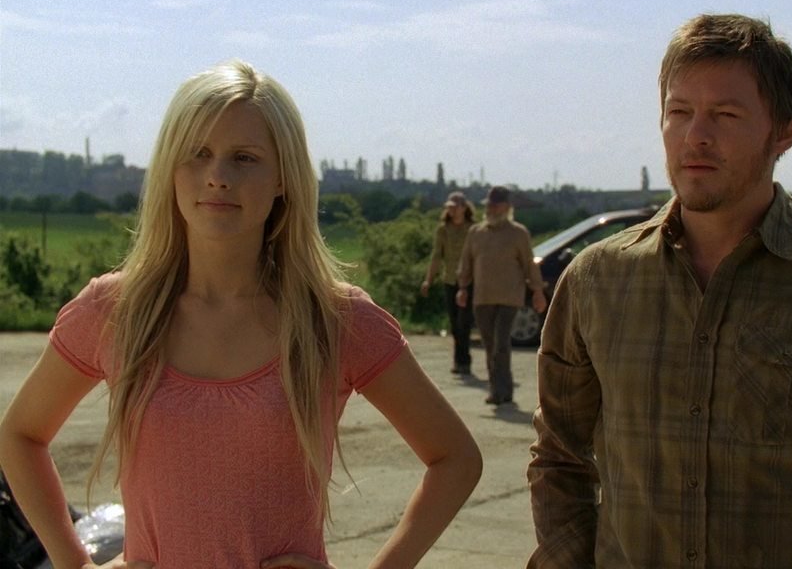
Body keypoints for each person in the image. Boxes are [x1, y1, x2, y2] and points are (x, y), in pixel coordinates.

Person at [0, 60, 482, 569]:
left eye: (245, 158)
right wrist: (74, 564)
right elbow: (19, 436)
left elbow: (455, 459)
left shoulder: (334, 320)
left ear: (283, 178)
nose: (218, 177)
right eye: (198, 153)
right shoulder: (115, 311)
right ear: (169, 169)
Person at [528, 14, 792, 568]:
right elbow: (559, 457)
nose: (696, 135)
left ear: (784, 131)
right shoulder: (597, 281)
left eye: (726, 114)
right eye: (679, 112)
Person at [455, 186, 546, 405]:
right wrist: (463, 288)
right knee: (489, 345)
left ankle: (501, 391)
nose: (491, 209)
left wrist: (537, 291)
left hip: (509, 298)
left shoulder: (518, 233)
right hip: (482, 298)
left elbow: (529, 265)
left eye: (495, 205)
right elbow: (466, 262)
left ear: (506, 207)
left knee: (501, 344)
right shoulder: (476, 233)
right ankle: (499, 388)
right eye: (488, 205)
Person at [421, 191, 475, 375]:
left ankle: (464, 360)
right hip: (450, 280)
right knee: (454, 323)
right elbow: (436, 256)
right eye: (450, 208)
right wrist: (428, 279)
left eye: (455, 207)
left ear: (464, 208)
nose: (452, 211)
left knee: (464, 322)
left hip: (469, 281)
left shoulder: (473, 229)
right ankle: (458, 360)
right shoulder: (443, 229)